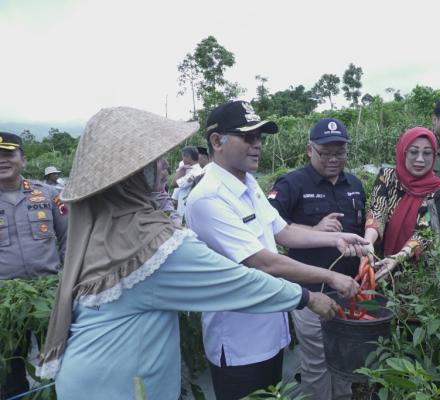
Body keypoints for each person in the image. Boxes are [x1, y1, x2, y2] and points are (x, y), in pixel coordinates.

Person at [36, 106, 341, 400]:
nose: (167, 166)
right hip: (119, 384)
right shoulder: (150, 244)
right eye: (155, 160)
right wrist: (308, 297)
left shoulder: (110, 225)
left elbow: (280, 232)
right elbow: (238, 280)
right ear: (133, 175)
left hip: (104, 371)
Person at [186, 101, 368, 400]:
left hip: (269, 329)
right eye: (248, 137)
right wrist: (330, 279)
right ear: (217, 141)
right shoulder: (208, 198)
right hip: (239, 340)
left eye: (260, 137)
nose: (257, 145)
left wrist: (336, 239)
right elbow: (261, 262)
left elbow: (282, 231)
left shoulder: (248, 184)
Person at [268, 117, 364, 400]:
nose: (334, 159)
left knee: (346, 357)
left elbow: (359, 230)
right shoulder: (291, 184)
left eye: (340, 152)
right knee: (318, 362)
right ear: (310, 150)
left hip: (347, 290)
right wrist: (314, 229)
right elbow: (272, 229)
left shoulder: (355, 184)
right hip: (311, 292)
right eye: (326, 153)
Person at [0, 131, 68, 399]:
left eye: (9, 154)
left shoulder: (49, 195)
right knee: (9, 370)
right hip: (5, 302)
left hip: (48, 296)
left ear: (23, 160)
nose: (2, 160)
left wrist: (66, 278)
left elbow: (69, 238)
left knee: (57, 364)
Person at [363, 127, 440, 279]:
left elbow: (425, 232)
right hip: (377, 263)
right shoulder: (387, 177)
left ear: (434, 155)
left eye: (427, 153)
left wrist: (398, 257)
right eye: (413, 152)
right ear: (403, 152)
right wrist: (368, 241)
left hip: (417, 271)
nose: (420, 159)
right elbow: (378, 210)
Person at [171, 146, 203, 221]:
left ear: (188, 157)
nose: (183, 160)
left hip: (185, 212)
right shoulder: (195, 170)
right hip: (186, 210)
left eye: (183, 157)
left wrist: (181, 169)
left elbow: (174, 184)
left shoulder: (194, 172)